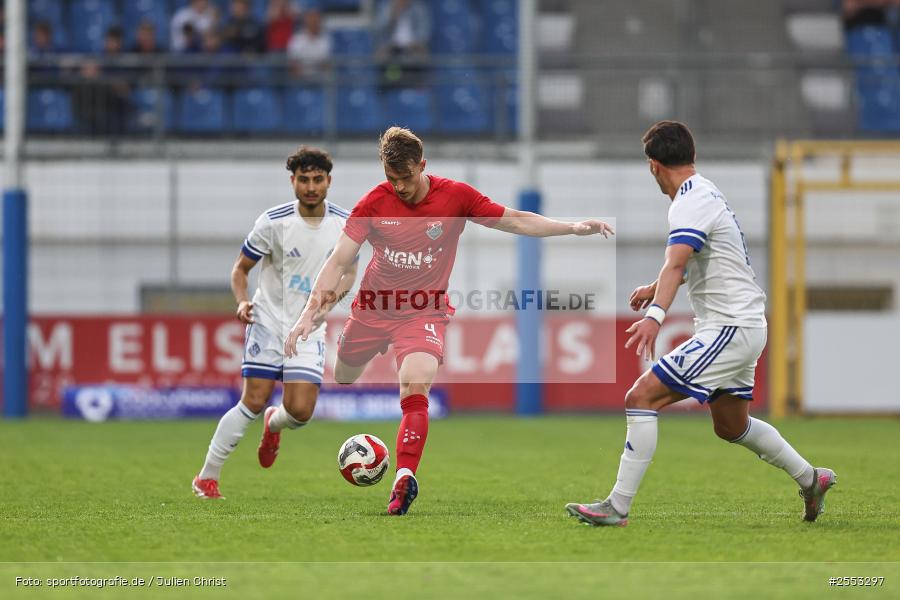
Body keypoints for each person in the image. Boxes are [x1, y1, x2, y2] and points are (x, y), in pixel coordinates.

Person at [284, 127, 614, 515]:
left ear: (422, 166)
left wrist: (571, 227)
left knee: (415, 386)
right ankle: (282, 422)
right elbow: (339, 260)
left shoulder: (455, 196)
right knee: (343, 375)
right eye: (392, 179)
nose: (400, 187)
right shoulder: (373, 203)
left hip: (424, 310)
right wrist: (309, 313)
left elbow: (516, 220)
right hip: (372, 309)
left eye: (406, 178)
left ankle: (404, 477)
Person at [565, 121, 836, 527]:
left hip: (728, 327)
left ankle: (616, 506)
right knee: (731, 426)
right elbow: (698, 260)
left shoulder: (689, 202)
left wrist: (655, 315)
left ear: (654, 166)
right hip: (744, 325)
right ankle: (812, 478)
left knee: (641, 398)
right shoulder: (705, 193)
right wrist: (655, 287)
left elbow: (678, 261)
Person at [193, 147, 358, 500]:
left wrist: (333, 299)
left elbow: (350, 272)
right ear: (292, 182)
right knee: (252, 400)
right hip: (268, 319)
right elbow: (240, 269)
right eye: (304, 180)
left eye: (317, 180)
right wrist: (241, 302)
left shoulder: (345, 224)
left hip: (309, 326)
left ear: (329, 181)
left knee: (300, 411)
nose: (311, 187)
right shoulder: (272, 221)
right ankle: (207, 477)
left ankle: (275, 423)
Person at [286, 8, 331, 77]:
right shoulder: (297, 38)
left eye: (316, 19)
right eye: (311, 19)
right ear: (306, 21)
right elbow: (292, 61)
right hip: (300, 78)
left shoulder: (326, 39)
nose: (313, 22)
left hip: (319, 78)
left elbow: (326, 63)